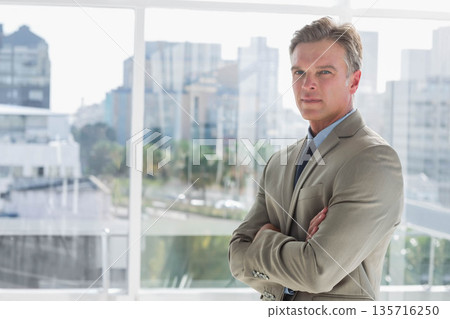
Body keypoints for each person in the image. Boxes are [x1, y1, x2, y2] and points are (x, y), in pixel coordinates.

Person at [228, 17, 404, 301]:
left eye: (323, 72)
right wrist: (300, 252)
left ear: (354, 81)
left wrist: (264, 241)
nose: (307, 84)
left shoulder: (372, 160)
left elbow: (318, 271)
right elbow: (237, 256)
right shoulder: (278, 161)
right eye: (299, 73)